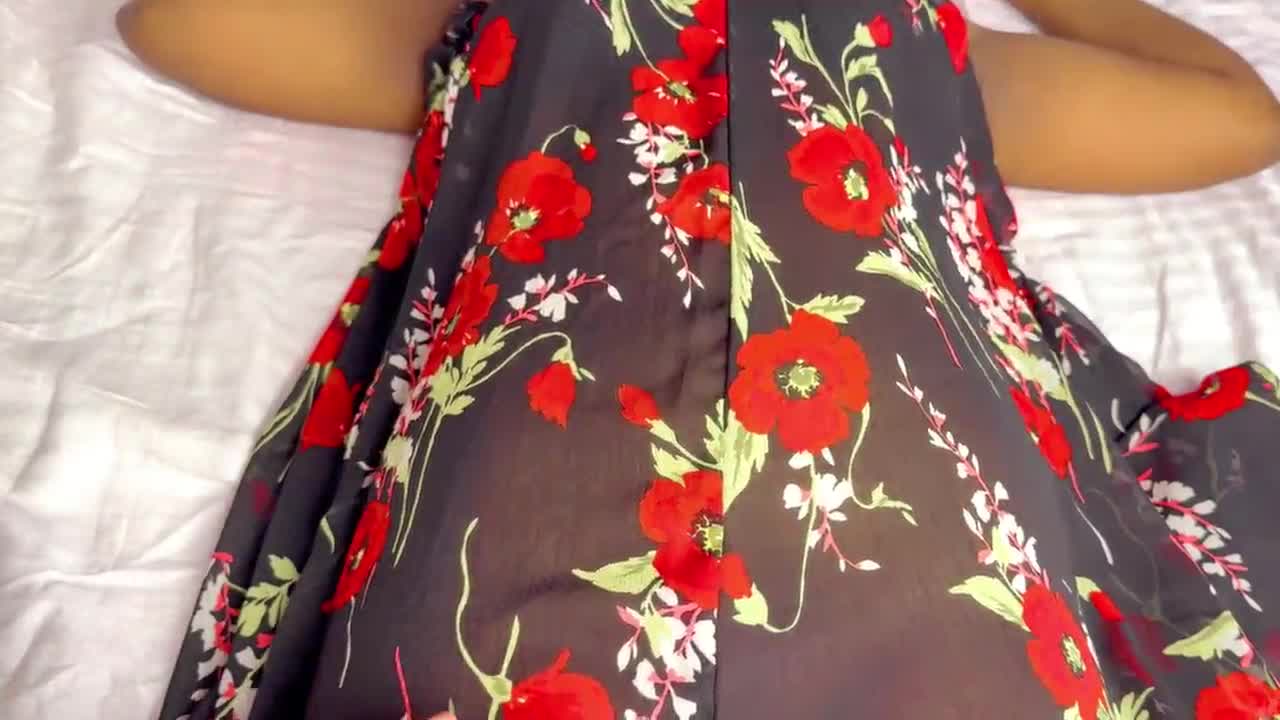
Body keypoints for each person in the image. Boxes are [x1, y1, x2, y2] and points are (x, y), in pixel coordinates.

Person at [119, 1, 1280, 719]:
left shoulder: (912, 42)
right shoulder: (498, 22)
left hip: (874, 534)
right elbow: (176, 20)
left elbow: (1238, 117)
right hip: (558, 556)